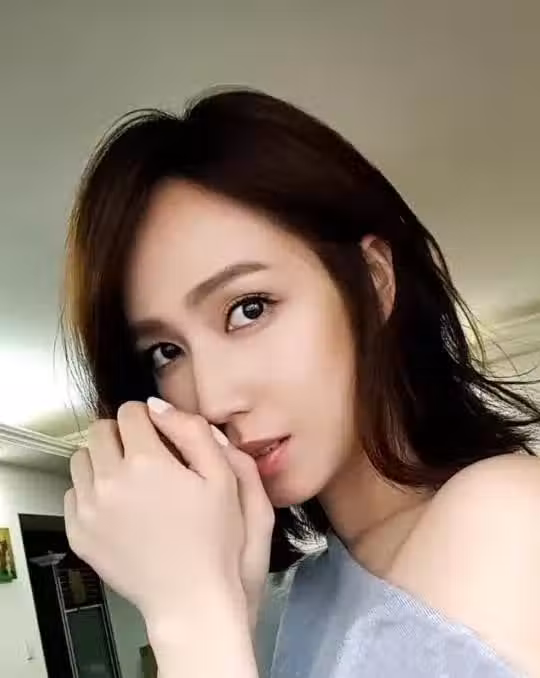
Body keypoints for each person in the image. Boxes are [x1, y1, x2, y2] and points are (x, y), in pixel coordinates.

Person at [61, 88, 540, 678]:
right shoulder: (296, 594)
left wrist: (190, 621)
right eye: (166, 352)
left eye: (249, 308)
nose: (213, 399)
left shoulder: (509, 517)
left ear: (372, 281)